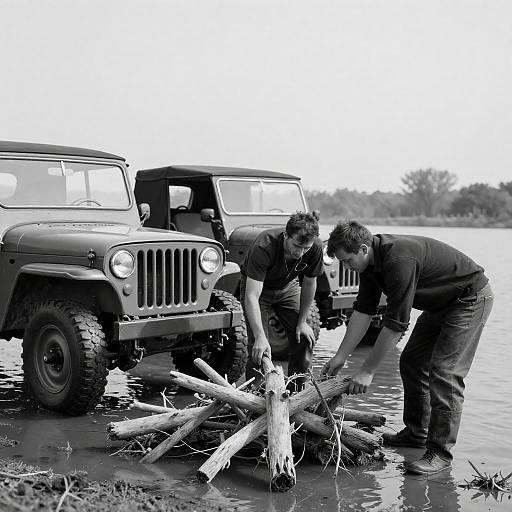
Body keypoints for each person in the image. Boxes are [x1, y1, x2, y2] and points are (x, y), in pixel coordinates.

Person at [322, 220, 493, 475]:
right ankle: (417, 434)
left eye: (347, 260)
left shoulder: (398, 258)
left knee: (444, 372)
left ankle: (440, 453)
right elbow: (363, 311)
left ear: (363, 249)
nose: (346, 266)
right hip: (440, 305)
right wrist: (340, 356)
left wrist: (367, 371)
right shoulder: (370, 266)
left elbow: (396, 324)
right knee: (412, 361)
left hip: (468, 300)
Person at [240, 212, 323, 391]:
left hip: (288, 287)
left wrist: (302, 322)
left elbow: (309, 283)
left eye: (305, 248)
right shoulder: (264, 245)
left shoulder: (315, 246)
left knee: (304, 339)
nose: (300, 253)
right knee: (259, 348)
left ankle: (297, 392)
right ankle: (255, 395)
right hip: (258, 290)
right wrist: (261, 336)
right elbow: (252, 296)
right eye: (296, 246)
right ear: (286, 235)